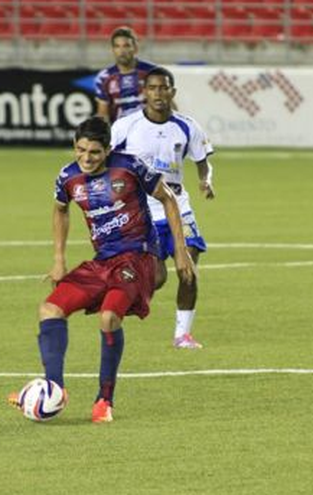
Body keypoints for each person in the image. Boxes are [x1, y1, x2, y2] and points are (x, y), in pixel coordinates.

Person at [26, 117, 194, 423]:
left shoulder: (130, 166)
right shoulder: (68, 177)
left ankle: (104, 400)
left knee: (108, 317)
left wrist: (180, 252)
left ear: (108, 149)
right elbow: (60, 211)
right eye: (80, 150)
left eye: (94, 152)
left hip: (137, 259)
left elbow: (168, 199)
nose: (86, 158)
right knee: (49, 309)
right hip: (102, 261)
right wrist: (59, 259)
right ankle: (54, 389)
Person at [110, 66, 215, 350]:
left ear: (173, 92)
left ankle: (182, 335)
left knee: (189, 269)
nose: (158, 93)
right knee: (156, 278)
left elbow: (203, 162)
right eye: (153, 88)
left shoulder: (187, 126)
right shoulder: (125, 127)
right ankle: (118, 296)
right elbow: (108, 163)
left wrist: (206, 181)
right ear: (144, 92)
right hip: (144, 209)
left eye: (163, 88)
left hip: (179, 206)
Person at [93, 26, 158, 123]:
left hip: (149, 132)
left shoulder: (152, 72)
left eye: (126, 46)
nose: (122, 51)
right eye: (117, 46)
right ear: (113, 50)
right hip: (120, 134)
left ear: (135, 48)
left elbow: (167, 105)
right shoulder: (104, 77)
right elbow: (103, 114)